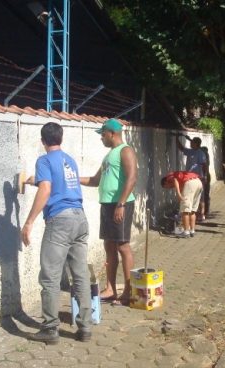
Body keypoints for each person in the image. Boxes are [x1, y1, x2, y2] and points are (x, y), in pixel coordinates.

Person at [20, 122, 93, 345]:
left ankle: (50, 329)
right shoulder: (69, 160)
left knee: (50, 276)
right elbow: (52, 182)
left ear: (42, 141)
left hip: (60, 221)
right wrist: (33, 180)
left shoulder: (43, 160)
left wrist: (29, 222)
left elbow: (47, 189)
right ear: (60, 139)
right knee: (80, 275)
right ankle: (85, 328)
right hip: (80, 218)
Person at [80, 119, 137, 307]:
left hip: (120, 204)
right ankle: (111, 289)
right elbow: (95, 180)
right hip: (106, 205)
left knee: (123, 246)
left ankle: (128, 292)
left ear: (112, 133)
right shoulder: (108, 156)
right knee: (109, 247)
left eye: (103, 134)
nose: (101, 138)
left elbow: (132, 179)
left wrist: (121, 204)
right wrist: (71, 177)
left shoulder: (125, 151)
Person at [161, 171, 203, 238]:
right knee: (192, 210)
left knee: (185, 210)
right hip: (198, 182)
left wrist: (178, 193)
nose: (168, 188)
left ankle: (186, 232)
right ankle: (192, 231)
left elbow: (175, 180)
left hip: (190, 182)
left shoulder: (169, 176)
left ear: (165, 182)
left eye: (166, 187)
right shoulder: (180, 181)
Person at [176, 134, 207, 221]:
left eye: (192, 143)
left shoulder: (201, 153)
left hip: (198, 177)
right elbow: (181, 148)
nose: (190, 144)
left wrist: (205, 175)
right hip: (189, 178)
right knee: (190, 195)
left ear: (196, 144)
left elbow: (204, 165)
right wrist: (177, 138)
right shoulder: (190, 151)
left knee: (201, 196)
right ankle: (193, 212)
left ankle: (202, 213)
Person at [200, 146, 211, 217]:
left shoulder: (204, 157)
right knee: (206, 194)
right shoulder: (206, 156)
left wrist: (205, 176)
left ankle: (204, 211)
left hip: (204, 176)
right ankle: (206, 210)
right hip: (206, 176)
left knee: (203, 195)